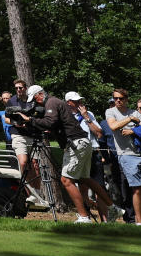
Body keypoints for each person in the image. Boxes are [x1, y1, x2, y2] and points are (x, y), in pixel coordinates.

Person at [21, 85, 123, 223]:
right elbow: (55, 124)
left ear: (40, 94)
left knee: (66, 180)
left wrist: (29, 120)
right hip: (82, 142)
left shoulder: (51, 102)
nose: (36, 102)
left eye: (35, 98)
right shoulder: (55, 103)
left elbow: (50, 122)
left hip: (76, 144)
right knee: (84, 178)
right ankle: (113, 208)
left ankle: (84, 217)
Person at [105, 92, 141, 225]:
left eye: (121, 98)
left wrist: (132, 131)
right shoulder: (110, 111)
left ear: (126, 99)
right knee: (137, 189)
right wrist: (131, 120)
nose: (118, 100)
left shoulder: (134, 112)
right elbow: (113, 126)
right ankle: (139, 222)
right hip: (126, 155)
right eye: (116, 98)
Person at [6, 80, 46, 207]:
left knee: (35, 165)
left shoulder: (32, 100)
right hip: (18, 134)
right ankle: (30, 193)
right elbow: (7, 118)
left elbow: (41, 114)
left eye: (20, 88)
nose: (18, 90)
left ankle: (37, 194)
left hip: (32, 134)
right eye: (16, 88)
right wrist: (16, 123)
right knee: (23, 162)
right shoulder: (11, 101)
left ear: (25, 88)